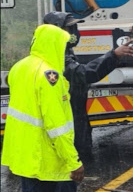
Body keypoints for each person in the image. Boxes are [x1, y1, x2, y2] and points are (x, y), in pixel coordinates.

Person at [43, 11, 133, 160]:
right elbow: (85, 73)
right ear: (56, 30)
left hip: (75, 115)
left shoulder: (63, 50)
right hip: (66, 119)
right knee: (70, 163)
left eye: (74, 28)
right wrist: (114, 55)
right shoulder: (54, 54)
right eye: (69, 28)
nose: (74, 32)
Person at [1, 24, 84, 192]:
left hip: (26, 157)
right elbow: (56, 125)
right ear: (54, 45)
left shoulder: (19, 67)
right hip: (47, 159)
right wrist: (73, 162)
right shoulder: (48, 76)